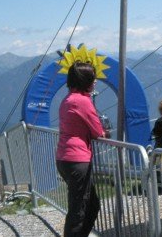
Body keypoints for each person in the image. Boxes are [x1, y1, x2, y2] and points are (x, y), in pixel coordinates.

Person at [56, 62, 106, 237]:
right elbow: (98, 131)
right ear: (86, 81)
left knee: (91, 205)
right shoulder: (82, 101)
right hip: (78, 160)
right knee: (79, 210)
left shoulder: (68, 99)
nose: (95, 82)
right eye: (93, 78)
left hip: (64, 158)